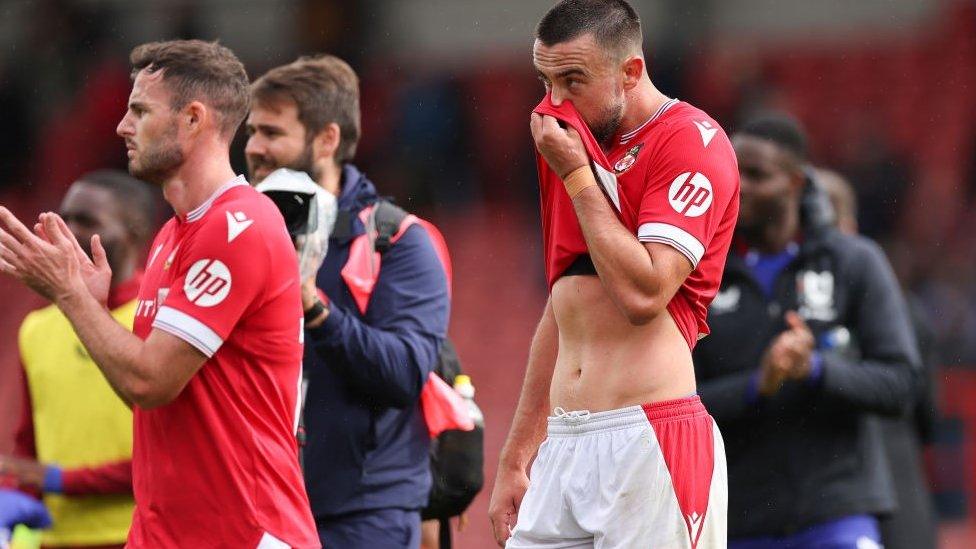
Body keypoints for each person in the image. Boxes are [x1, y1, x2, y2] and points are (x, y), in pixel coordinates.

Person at [0, 40, 319, 548]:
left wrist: (70, 296)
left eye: (140, 111)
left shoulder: (239, 226)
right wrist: (93, 308)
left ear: (193, 119)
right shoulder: (173, 236)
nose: (122, 127)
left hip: (242, 532)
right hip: (165, 534)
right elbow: (153, 404)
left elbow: (150, 382)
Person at [488, 1, 739, 547]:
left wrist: (577, 176)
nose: (554, 102)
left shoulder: (690, 142)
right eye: (545, 80)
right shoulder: (572, 141)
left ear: (631, 70)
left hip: (650, 440)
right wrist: (517, 452)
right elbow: (565, 306)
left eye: (573, 80)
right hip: (564, 444)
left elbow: (644, 292)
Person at [245, 55, 451, 548]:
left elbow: (404, 372)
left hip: (361, 517)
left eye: (272, 133)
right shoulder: (239, 233)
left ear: (327, 140)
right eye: (251, 132)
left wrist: (312, 307)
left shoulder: (397, 240)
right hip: (261, 508)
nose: (253, 148)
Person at [692, 113, 920, 549]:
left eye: (757, 175)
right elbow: (679, 402)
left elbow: (902, 384)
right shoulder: (697, 274)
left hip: (836, 513)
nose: (739, 188)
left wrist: (815, 369)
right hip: (738, 520)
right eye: (733, 174)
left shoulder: (854, 262)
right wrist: (757, 385)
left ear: (796, 183)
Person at [0, 170, 158, 548]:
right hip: (56, 539)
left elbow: (177, 454)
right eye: (64, 217)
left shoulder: (160, 322)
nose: (67, 231)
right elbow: (29, 445)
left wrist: (59, 480)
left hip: (140, 536)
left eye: (86, 221)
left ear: (134, 233)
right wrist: (13, 490)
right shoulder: (37, 328)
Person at [818, 167, 938, 549]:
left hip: (829, 499)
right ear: (849, 225)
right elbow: (927, 413)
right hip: (897, 494)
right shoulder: (903, 309)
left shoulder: (784, 311)